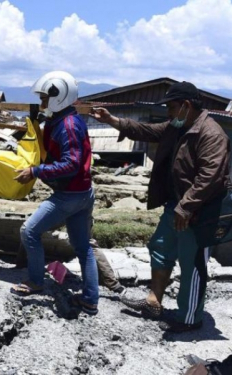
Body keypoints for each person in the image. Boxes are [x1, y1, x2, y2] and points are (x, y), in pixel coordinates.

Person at [90, 81, 231, 333]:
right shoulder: (177, 126)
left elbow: (211, 175)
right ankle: (153, 302)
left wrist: (187, 207)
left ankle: (190, 318)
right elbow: (145, 130)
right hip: (176, 205)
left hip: (198, 211)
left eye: (171, 106)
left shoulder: (211, 133)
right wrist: (113, 120)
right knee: (161, 249)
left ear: (186, 106)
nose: (168, 112)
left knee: (192, 262)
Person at [12, 71, 99, 316]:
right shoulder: (63, 119)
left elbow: (71, 163)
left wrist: (35, 170)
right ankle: (91, 299)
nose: (42, 103)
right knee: (83, 247)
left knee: (29, 231)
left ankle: (36, 280)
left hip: (69, 195)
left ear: (57, 97)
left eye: (44, 98)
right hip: (83, 192)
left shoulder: (68, 125)